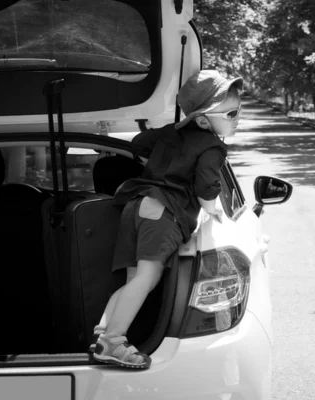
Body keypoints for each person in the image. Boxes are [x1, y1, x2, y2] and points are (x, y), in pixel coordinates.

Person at [91, 69, 243, 369]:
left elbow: (139, 141)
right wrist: (212, 209)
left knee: (134, 279)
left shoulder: (169, 134)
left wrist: (167, 152)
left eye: (239, 111)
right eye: (231, 113)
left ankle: (102, 332)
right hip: (163, 213)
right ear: (202, 120)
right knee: (148, 277)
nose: (238, 119)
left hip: (137, 205)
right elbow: (206, 186)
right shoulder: (213, 146)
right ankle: (114, 340)